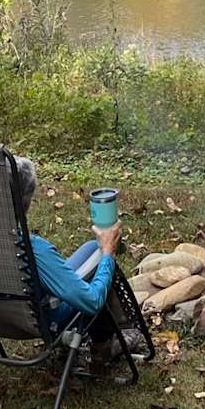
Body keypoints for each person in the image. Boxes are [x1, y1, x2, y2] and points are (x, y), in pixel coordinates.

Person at [13, 156, 128, 369]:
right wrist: (108, 254)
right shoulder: (33, 250)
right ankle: (104, 347)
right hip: (43, 320)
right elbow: (91, 301)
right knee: (99, 258)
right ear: (26, 202)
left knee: (92, 248)